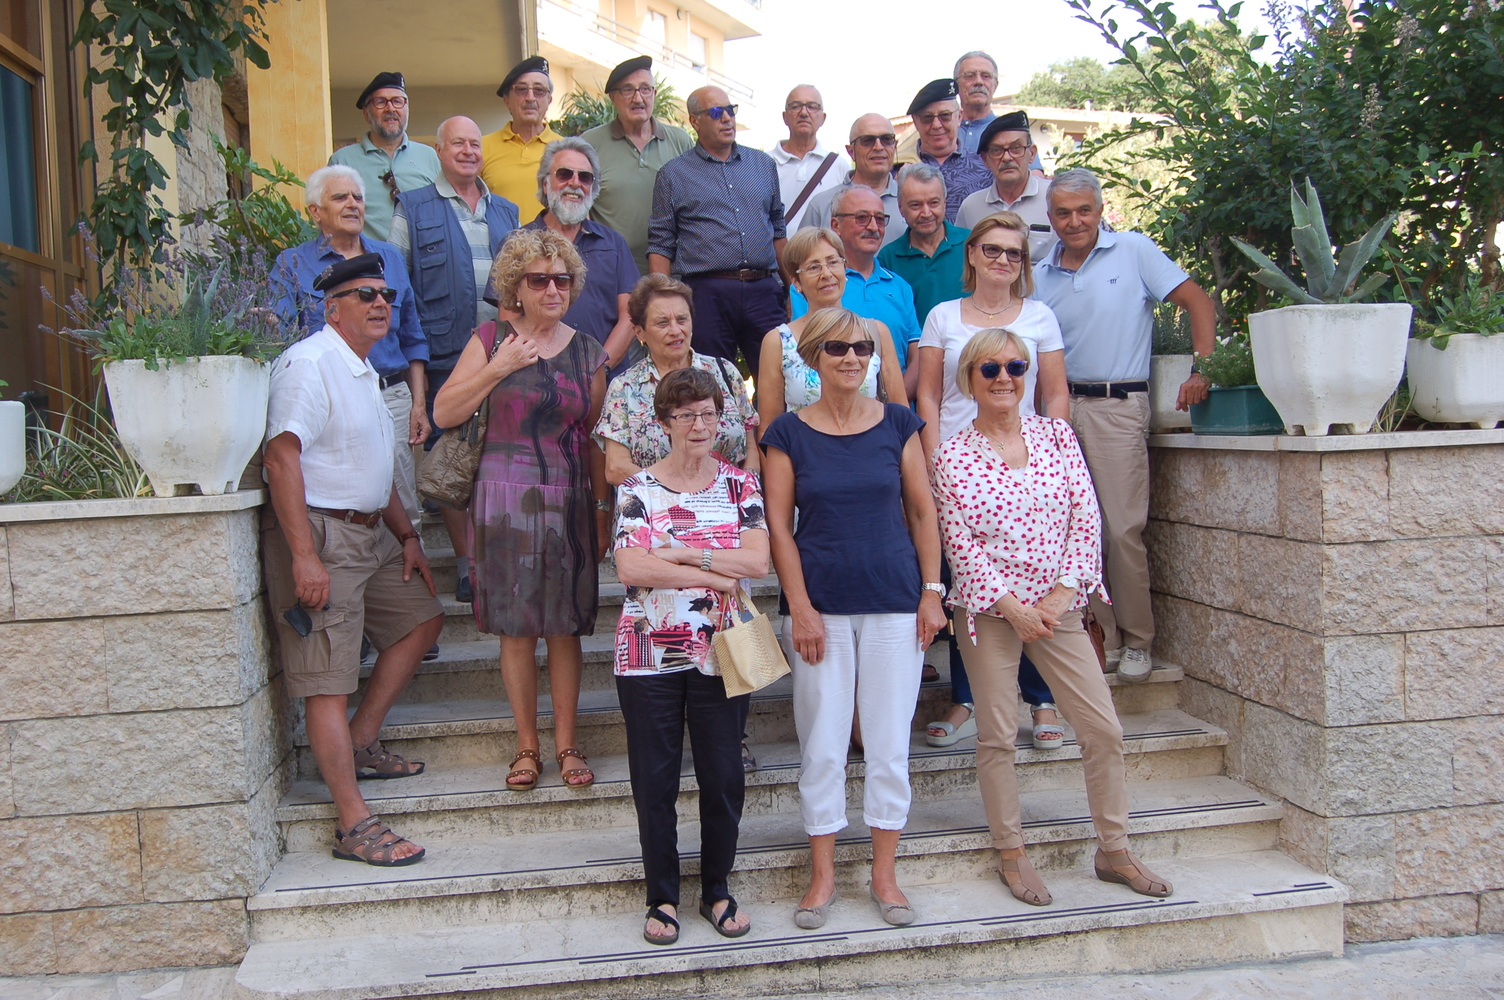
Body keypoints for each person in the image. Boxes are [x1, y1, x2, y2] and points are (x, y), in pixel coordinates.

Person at [933, 326, 1174, 906]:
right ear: (968, 379)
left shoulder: (1058, 436)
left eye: (1015, 367)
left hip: (1058, 607)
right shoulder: (950, 455)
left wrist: (1065, 594)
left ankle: (1114, 850)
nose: (1004, 378)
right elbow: (960, 545)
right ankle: (1011, 853)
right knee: (997, 736)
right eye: (990, 368)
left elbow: (1086, 516)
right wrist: (1013, 609)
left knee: (1103, 729)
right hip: (991, 613)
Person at [761, 307, 948, 930]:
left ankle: (884, 876)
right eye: (838, 349)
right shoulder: (786, 433)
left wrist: (931, 592)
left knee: (890, 745)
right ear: (813, 357)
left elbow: (922, 512)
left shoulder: (898, 422)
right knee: (822, 745)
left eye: (862, 349)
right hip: (821, 608)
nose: (852, 358)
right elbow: (779, 528)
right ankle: (822, 877)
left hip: (896, 600)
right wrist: (801, 607)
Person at [261, 252, 445, 867]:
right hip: (323, 534)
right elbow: (281, 459)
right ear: (331, 307)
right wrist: (303, 556)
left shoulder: (363, 370)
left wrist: (408, 535)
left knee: (422, 621)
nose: (380, 304)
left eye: (385, 295)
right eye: (365, 295)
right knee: (327, 682)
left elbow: (375, 468)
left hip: (371, 533)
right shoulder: (309, 364)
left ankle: (362, 741)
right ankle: (352, 823)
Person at [433, 229, 609, 792]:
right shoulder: (490, 339)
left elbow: (597, 437)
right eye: (539, 279)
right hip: (502, 503)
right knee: (515, 629)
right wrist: (498, 367)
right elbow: (444, 412)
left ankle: (567, 744)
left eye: (562, 279)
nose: (553, 289)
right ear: (516, 286)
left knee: (565, 628)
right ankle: (527, 747)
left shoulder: (589, 352)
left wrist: (602, 511)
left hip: (568, 499)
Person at [1033, 169, 1215, 681]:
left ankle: (1138, 641)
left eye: (1083, 210)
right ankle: (1103, 638)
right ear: (1050, 217)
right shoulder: (1040, 272)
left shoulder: (1133, 250)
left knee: (1120, 529)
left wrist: (1203, 369)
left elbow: (1198, 302)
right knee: (1073, 529)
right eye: (1063, 213)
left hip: (1117, 406)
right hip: (1057, 410)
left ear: (1100, 210)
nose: (1074, 221)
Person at [612, 367, 769, 946]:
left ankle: (717, 889)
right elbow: (632, 567)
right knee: (654, 780)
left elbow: (756, 563)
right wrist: (716, 570)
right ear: (664, 423)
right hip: (646, 653)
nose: (699, 425)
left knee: (723, 775)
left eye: (708, 414)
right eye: (685, 415)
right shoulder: (637, 489)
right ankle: (662, 896)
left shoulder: (741, 486)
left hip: (722, 650)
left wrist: (681, 554)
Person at [917, 212, 1070, 754]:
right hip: (961, 470)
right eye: (993, 249)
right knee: (970, 583)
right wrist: (934, 462)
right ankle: (967, 698)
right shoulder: (942, 316)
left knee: (1033, 575)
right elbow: (928, 395)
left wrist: (1057, 458)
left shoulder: (1040, 316)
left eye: (1014, 252)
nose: (1003, 260)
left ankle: (1042, 698)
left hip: (1026, 467)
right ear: (972, 254)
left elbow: (1054, 394)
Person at [390, 116, 520, 606]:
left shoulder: (506, 211)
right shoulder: (414, 206)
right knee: (452, 454)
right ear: (438, 151)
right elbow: (399, 286)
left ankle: (499, 557)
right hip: (444, 351)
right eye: (457, 144)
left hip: (506, 351)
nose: (468, 151)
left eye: (474, 144)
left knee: (501, 455)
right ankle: (467, 564)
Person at [272, 165, 428, 529]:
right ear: (315, 211)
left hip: (390, 395)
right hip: (328, 399)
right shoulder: (293, 263)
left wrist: (418, 403)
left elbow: (412, 336)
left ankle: (407, 557)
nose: (352, 204)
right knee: (339, 495)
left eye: (358, 197)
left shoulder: (390, 258)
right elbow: (278, 337)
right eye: (340, 197)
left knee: (402, 499)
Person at [648, 86, 786, 376]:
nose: (727, 118)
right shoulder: (673, 174)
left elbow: (777, 228)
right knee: (708, 381)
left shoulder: (762, 165)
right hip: (706, 294)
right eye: (715, 112)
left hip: (763, 290)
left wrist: (790, 288)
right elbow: (661, 243)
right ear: (694, 121)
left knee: (779, 376)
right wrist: (663, 303)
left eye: (730, 110)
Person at [596, 274, 759, 487]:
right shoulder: (624, 387)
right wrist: (679, 494)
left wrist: (747, 486)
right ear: (639, 332)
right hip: (657, 505)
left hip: (729, 501)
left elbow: (750, 447)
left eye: (682, 320)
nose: (675, 331)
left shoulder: (725, 372)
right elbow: (616, 468)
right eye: (662, 323)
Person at [497, 138, 639, 373]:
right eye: (564, 174)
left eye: (585, 177)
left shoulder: (614, 245)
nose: (575, 183)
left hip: (606, 383)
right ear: (545, 184)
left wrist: (597, 371)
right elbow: (509, 319)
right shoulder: (516, 244)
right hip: (538, 379)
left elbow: (630, 315)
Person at [757, 227, 905, 435]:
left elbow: (901, 417)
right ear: (796, 281)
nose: (826, 274)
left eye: (833, 262)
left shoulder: (875, 333)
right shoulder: (778, 342)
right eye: (813, 267)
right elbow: (768, 428)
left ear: (845, 268)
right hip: (802, 453)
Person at [790, 188, 922, 399]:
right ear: (836, 225)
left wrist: (887, 407)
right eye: (862, 218)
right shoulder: (817, 285)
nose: (873, 227)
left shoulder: (900, 286)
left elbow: (916, 356)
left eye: (880, 219)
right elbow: (802, 352)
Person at [581, 55, 694, 278]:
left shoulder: (681, 141)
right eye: (628, 90)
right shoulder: (589, 144)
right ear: (613, 98)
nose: (638, 98)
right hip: (612, 274)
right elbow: (579, 207)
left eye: (645, 89)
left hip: (672, 275)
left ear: (654, 94)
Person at [330, 72, 441, 243]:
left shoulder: (430, 156)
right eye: (380, 102)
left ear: (407, 109)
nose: (390, 109)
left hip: (423, 257)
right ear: (366, 114)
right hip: (367, 258)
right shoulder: (343, 161)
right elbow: (331, 219)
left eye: (397, 101)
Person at [878, 163, 969, 335]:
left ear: (945, 203)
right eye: (915, 205)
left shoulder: (973, 245)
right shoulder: (888, 259)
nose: (926, 213)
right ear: (901, 208)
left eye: (934, 203)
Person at [956, 113, 1056, 261]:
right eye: (996, 150)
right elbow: (961, 261)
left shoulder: (1054, 199)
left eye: (1016, 148)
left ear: (1032, 154)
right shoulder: (971, 207)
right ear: (985, 159)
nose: (1007, 157)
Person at [800, 114, 906, 247]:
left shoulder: (913, 202)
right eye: (868, 140)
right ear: (851, 151)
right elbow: (801, 256)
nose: (879, 147)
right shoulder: (822, 206)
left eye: (887, 139)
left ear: (895, 146)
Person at [480, 56, 562, 224]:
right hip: (500, 241)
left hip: (553, 241)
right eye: (522, 90)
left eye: (539, 91)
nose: (530, 98)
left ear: (549, 101)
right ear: (507, 101)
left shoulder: (566, 149)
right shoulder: (480, 148)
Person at [907, 78, 991, 223]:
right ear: (915, 122)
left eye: (945, 116)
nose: (936, 125)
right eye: (927, 118)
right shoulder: (900, 170)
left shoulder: (985, 167)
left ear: (959, 117)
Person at [768, 85, 850, 231]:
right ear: (785, 117)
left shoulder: (839, 166)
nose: (804, 113)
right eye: (795, 106)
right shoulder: (764, 163)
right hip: (773, 246)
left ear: (823, 118)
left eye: (812, 107)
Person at [953, 51, 1000, 157]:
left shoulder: (1009, 132)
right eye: (970, 76)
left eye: (986, 76)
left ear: (995, 86)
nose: (979, 82)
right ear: (955, 86)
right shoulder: (940, 132)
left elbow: (1032, 168)